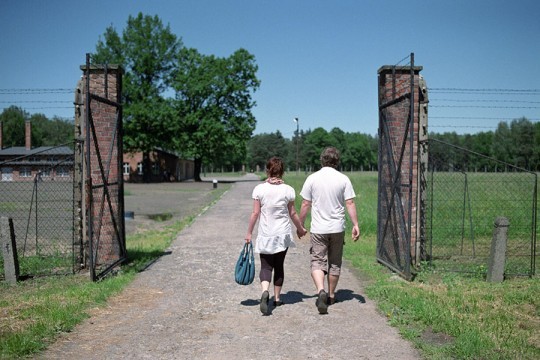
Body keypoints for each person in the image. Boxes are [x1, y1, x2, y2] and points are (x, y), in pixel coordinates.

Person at [299, 147, 360, 314]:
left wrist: (301, 224)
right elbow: (350, 203)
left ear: (322, 160)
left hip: (318, 228)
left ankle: (321, 291)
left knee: (317, 260)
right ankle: (332, 295)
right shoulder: (343, 179)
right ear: (337, 161)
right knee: (334, 262)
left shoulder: (312, 178)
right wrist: (355, 224)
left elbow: (305, 204)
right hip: (337, 228)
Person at [245, 157, 307, 315]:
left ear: (267, 170)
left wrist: (249, 233)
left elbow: (255, 213)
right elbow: (292, 213)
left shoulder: (259, 189)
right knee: (279, 266)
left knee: (266, 266)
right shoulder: (288, 190)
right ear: (282, 172)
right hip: (283, 234)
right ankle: (277, 298)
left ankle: (265, 291)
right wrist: (300, 228)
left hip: (266, 234)